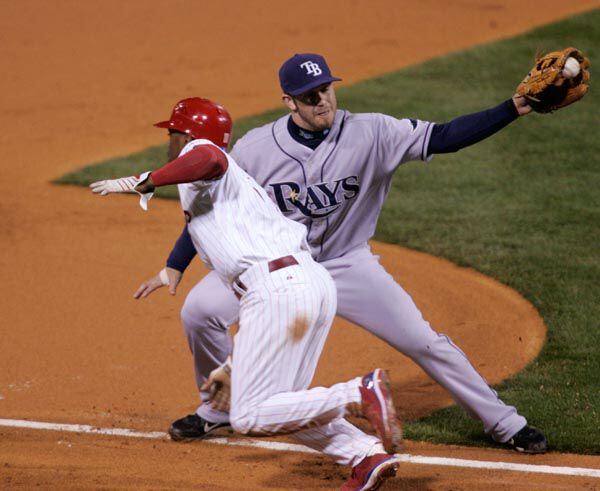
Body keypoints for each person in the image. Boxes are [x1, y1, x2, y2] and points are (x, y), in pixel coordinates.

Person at [138, 53, 548, 454]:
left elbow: (446, 137)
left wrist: (513, 108)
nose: (323, 101)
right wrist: (175, 264)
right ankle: (220, 406)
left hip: (347, 264)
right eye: (310, 96)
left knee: (424, 342)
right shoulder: (255, 148)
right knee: (199, 311)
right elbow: (214, 207)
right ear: (289, 102)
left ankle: (505, 423)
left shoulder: (373, 133)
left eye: (326, 90)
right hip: (272, 268)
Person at [90, 97, 405, 491]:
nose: (169, 141)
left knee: (249, 416)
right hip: (301, 283)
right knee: (282, 402)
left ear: (185, 134)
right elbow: (208, 220)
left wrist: (148, 179)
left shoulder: (203, 156)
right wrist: (172, 269)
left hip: (279, 286)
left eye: (172, 132)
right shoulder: (222, 185)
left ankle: (358, 392)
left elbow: (209, 157)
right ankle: (364, 454)